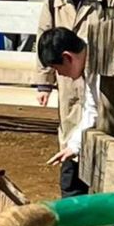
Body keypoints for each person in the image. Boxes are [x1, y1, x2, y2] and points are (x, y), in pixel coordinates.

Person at [36, 27, 99, 197]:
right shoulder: (91, 58)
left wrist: (74, 146)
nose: (60, 74)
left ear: (67, 57)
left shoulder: (99, 68)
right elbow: (92, 110)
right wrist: (74, 146)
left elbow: (95, 111)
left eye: (57, 68)